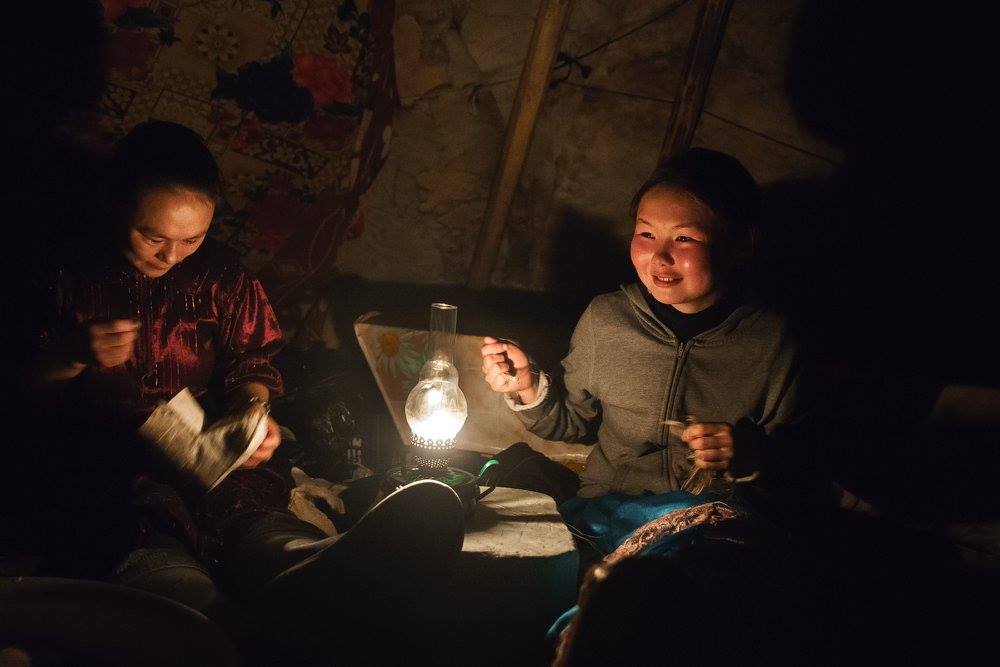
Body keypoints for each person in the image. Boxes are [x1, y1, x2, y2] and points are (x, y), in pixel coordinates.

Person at [17, 121, 463, 658]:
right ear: (112, 204)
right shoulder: (61, 274)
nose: (170, 256)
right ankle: (204, 617)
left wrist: (252, 413)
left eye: (192, 239)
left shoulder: (221, 277)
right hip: (101, 457)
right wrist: (70, 357)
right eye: (152, 236)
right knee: (143, 529)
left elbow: (252, 361)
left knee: (249, 510)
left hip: (204, 447)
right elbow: (21, 395)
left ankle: (311, 563)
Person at [480, 148, 808, 500]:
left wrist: (747, 454)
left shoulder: (771, 341)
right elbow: (575, 423)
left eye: (684, 238)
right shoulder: (606, 320)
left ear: (739, 245)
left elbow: (800, 462)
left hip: (711, 521)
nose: (660, 256)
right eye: (646, 234)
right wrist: (527, 388)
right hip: (604, 509)